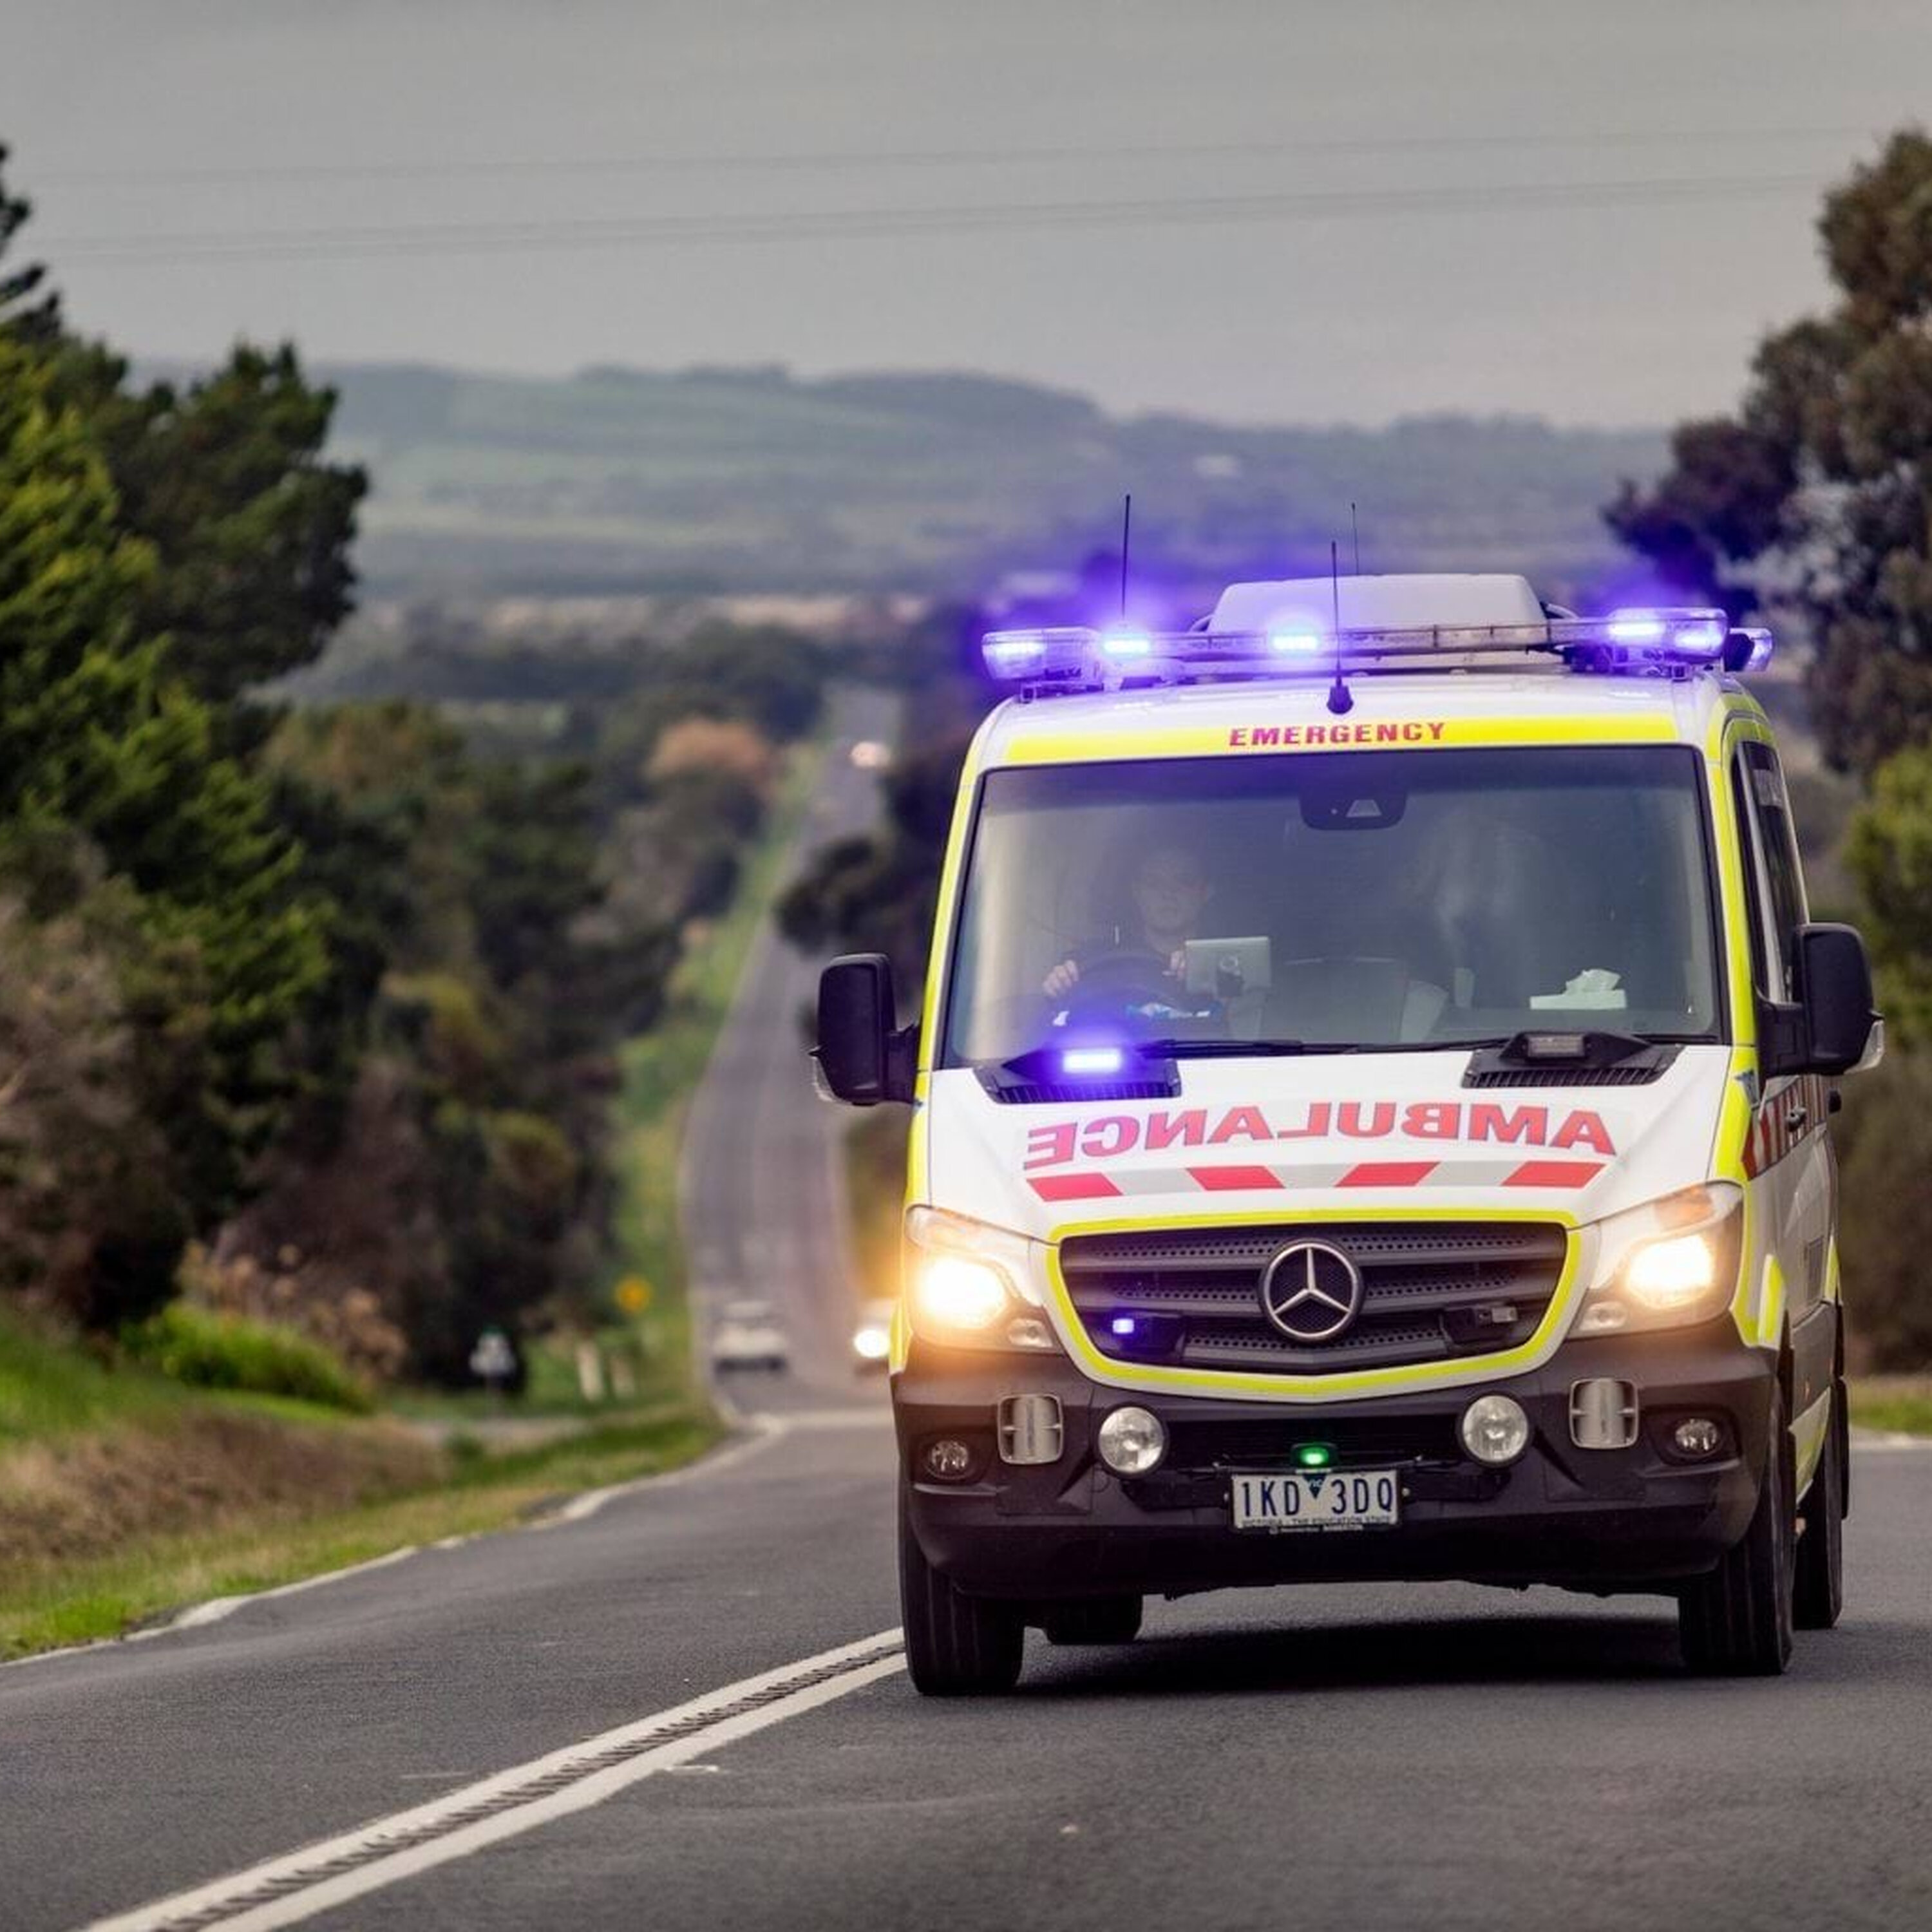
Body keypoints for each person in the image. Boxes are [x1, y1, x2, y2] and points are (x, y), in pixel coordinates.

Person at [1043, 840, 1215, 999]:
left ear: (1206, 892)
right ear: (1137, 893)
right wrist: (1059, 984)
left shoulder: (1227, 965)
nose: (1168, 893)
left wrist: (1206, 971)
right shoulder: (1096, 962)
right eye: (1153, 883)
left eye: (1184, 881)